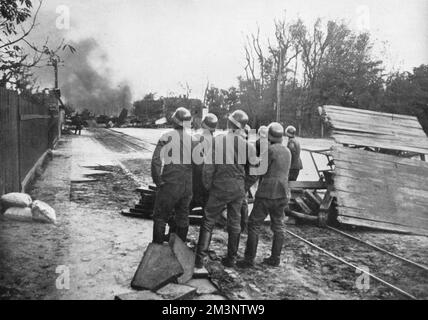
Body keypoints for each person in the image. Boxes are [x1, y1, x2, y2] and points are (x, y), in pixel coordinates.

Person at [195, 110, 258, 268]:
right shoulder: (248, 147)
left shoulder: (219, 140)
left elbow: (208, 167)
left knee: (208, 220)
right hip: (237, 189)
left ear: (230, 124)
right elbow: (255, 172)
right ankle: (231, 259)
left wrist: (208, 185)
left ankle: (199, 260)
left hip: (219, 187)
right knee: (234, 223)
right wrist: (244, 186)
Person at [237, 122, 291, 268]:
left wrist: (244, 187)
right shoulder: (287, 151)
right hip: (283, 193)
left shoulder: (269, 151)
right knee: (279, 225)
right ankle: (275, 258)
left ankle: (249, 259)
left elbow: (257, 173)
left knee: (254, 224)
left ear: (269, 136)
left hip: (267, 192)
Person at [151, 107, 194, 244]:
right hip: (187, 185)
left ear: (175, 121)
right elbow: (200, 165)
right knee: (182, 217)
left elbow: (156, 160)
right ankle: (178, 251)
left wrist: (158, 181)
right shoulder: (194, 140)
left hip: (170, 183)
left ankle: (157, 249)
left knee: (160, 217)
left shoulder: (166, 136)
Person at [191, 113, 218, 210]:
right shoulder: (217, 142)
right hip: (210, 179)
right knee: (207, 208)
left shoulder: (195, 138)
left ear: (203, 125)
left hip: (195, 177)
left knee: (189, 204)